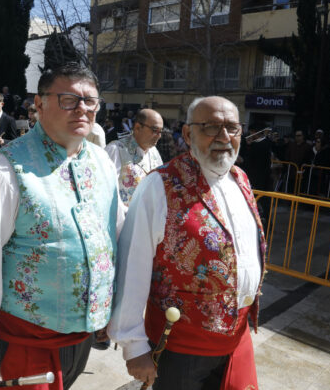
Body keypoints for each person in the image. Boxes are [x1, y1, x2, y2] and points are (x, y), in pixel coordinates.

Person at [0, 64, 125, 390]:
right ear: (39, 105)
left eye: (90, 101)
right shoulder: (5, 169)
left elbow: (114, 238)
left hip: (82, 338)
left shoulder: (102, 163)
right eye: (69, 99)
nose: (82, 108)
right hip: (25, 340)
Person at [109, 96, 266, 390]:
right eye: (210, 127)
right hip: (180, 348)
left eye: (232, 128)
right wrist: (134, 345)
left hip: (236, 340)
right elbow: (133, 267)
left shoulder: (241, 179)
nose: (223, 137)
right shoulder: (160, 185)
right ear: (187, 133)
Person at [105, 108, 164, 206]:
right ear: (137, 128)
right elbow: (106, 190)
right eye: (155, 130)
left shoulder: (154, 152)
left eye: (161, 131)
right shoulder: (116, 150)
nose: (159, 135)